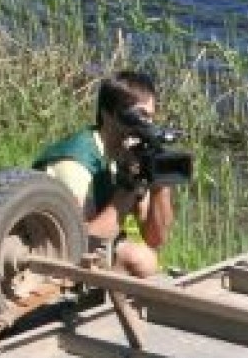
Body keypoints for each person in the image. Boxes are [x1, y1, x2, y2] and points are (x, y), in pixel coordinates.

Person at [33, 68, 177, 278]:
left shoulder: (129, 153)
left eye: (149, 119)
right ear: (107, 114)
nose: (144, 127)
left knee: (146, 257)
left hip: (92, 248)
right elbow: (81, 242)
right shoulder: (75, 163)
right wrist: (130, 186)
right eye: (137, 117)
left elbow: (155, 239)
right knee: (140, 260)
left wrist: (160, 185)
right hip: (49, 253)